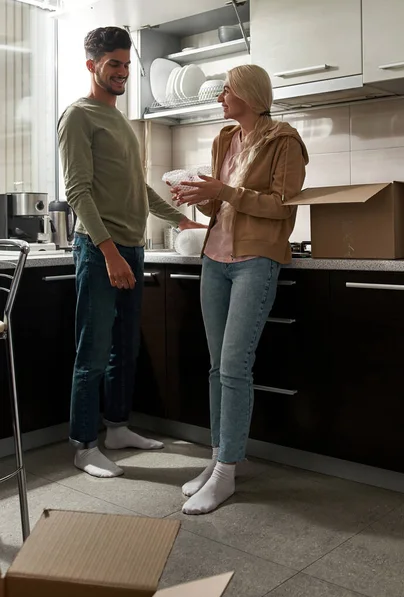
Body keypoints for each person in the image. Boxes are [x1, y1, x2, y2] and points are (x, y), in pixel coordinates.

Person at [58, 26, 204, 478]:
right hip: (99, 249)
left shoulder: (121, 120)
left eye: (125, 64)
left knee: (125, 347)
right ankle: (84, 445)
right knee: (94, 350)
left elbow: (136, 189)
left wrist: (179, 219)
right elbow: (78, 191)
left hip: (131, 247)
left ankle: (117, 427)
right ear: (92, 65)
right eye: (113, 64)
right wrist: (109, 253)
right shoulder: (78, 116)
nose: (121, 72)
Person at [170, 64, 309, 514]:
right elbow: (219, 201)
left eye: (225, 90)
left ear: (248, 93)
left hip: (255, 262)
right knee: (217, 368)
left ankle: (227, 472)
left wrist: (224, 191)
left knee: (233, 366)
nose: (219, 97)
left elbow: (281, 207)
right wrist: (198, 195)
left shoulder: (284, 141)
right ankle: (216, 464)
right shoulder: (223, 139)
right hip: (215, 259)